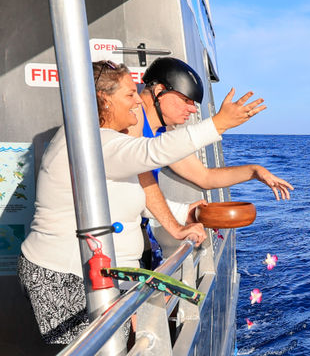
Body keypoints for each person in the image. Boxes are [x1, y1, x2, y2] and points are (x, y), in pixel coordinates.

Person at [18, 60, 264, 344]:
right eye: (129, 94)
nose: (137, 100)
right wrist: (218, 124)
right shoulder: (92, 143)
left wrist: (183, 216)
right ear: (104, 100)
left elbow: (137, 195)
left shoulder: (106, 141)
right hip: (64, 274)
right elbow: (153, 152)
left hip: (99, 273)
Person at [127, 58, 293, 244]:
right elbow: (140, 180)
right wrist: (220, 123)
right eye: (186, 100)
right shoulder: (130, 124)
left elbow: (204, 177)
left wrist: (255, 171)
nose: (192, 109)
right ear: (159, 92)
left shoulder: (162, 134)